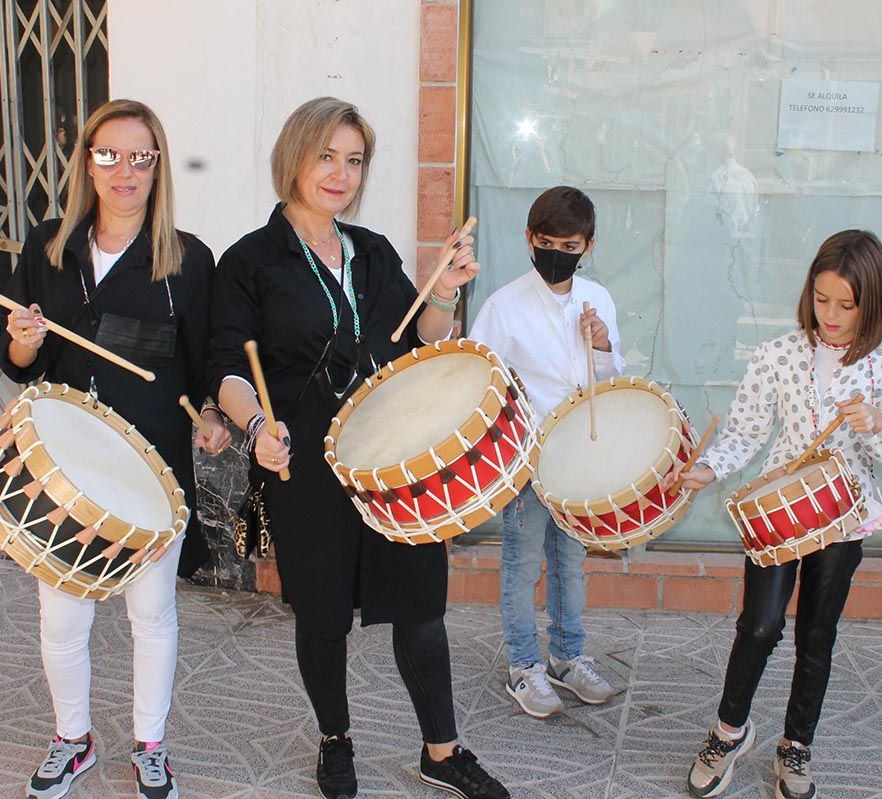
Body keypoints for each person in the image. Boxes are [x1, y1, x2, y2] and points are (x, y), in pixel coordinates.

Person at [210, 97, 509, 799]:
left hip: (389, 457)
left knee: (420, 604)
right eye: (326, 156)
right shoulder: (250, 260)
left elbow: (422, 338)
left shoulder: (371, 252)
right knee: (321, 612)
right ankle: (335, 739)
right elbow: (226, 367)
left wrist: (447, 291)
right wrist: (257, 429)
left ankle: (443, 747)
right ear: (295, 157)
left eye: (354, 160)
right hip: (303, 457)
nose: (340, 173)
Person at [0, 99, 230, 799]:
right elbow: (18, 363)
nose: (123, 171)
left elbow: (206, 362)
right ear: (86, 162)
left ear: (158, 166)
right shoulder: (47, 248)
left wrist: (214, 412)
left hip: (151, 470)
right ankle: (73, 737)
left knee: (150, 612)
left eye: (140, 156)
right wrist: (26, 341)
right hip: (64, 469)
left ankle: (150, 743)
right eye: (108, 154)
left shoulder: (189, 260)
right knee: (63, 613)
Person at [667, 230, 882, 799]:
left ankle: (796, 746)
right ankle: (728, 732)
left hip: (843, 516)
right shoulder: (778, 353)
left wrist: (876, 425)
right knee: (758, 627)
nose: (830, 316)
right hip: (778, 511)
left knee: (817, 635)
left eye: (846, 305)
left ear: (872, 304)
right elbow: (744, 429)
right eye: (821, 298)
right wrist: (709, 468)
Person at [469, 186, 623, 718]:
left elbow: (610, 379)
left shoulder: (598, 299)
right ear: (530, 240)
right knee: (522, 562)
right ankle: (523, 665)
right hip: (526, 459)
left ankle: (567, 655)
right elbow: (481, 385)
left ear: (589, 246)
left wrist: (601, 345)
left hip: (579, 457)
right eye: (548, 241)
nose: (559, 252)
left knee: (571, 563)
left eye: (571, 244)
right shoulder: (503, 306)